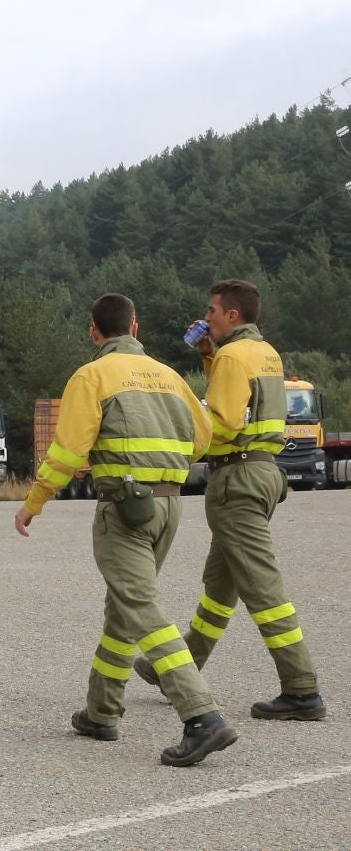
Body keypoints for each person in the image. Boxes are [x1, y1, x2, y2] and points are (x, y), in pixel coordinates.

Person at [14, 293, 237, 766]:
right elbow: (203, 439)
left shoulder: (91, 375)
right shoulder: (170, 376)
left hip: (125, 508)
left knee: (140, 606)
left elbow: (70, 451)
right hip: (168, 506)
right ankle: (102, 711)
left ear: (94, 331)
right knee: (124, 609)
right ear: (135, 327)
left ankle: (201, 716)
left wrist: (34, 501)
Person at [135, 280, 326, 721]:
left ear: (233, 315)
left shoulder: (232, 356)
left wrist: (178, 441)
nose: (208, 317)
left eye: (213, 311)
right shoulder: (264, 353)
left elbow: (220, 421)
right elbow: (249, 405)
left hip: (236, 478)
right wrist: (207, 354)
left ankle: (301, 689)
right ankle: (180, 668)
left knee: (262, 585)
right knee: (221, 585)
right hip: (261, 472)